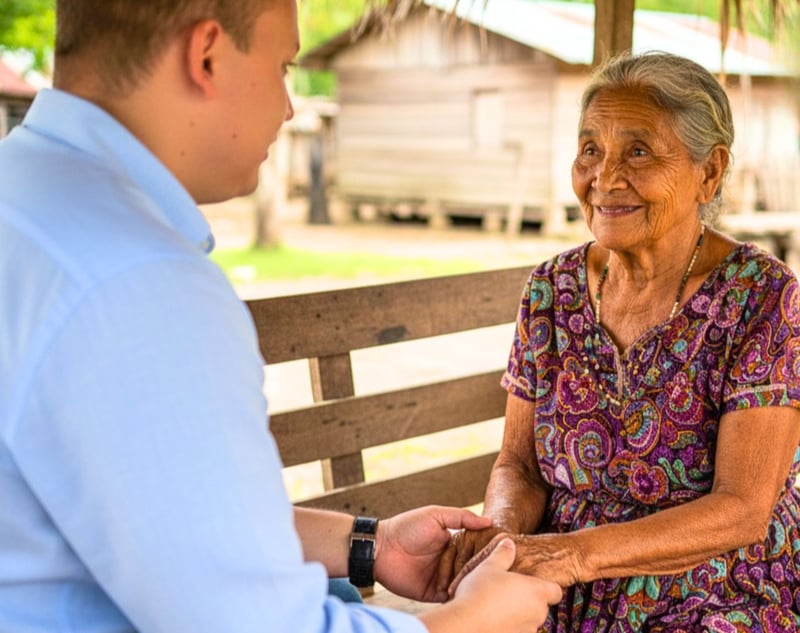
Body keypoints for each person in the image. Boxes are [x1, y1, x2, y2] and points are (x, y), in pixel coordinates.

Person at [0, 1, 562, 632]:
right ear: (207, 55)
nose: (289, 106)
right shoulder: (138, 283)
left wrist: (368, 545)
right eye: (282, 66)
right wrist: (476, 622)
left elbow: (165, 515)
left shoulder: (25, 195)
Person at [441, 51, 800, 632]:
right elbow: (521, 465)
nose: (605, 178)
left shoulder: (760, 297)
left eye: (638, 151)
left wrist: (573, 553)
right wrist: (501, 542)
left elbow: (741, 510)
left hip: (715, 590)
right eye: (590, 150)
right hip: (561, 592)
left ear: (708, 173)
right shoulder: (551, 291)